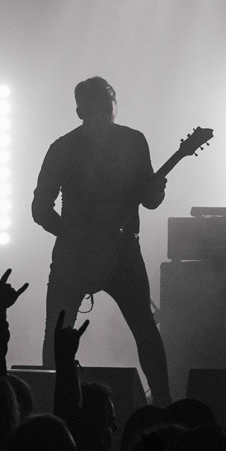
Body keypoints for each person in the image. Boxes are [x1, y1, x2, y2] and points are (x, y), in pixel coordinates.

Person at [33, 76, 173, 405]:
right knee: (138, 328)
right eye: (96, 106)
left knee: (65, 331)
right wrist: (76, 237)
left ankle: (162, 402)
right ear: (81, 111)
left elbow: (149, 200)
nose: (103, 112)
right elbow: (40, 209)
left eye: (106, 105)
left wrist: (157, 190)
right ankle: (163, 404)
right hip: (94, 254)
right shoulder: (66, 148)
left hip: (112, 252)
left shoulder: (128, 142)